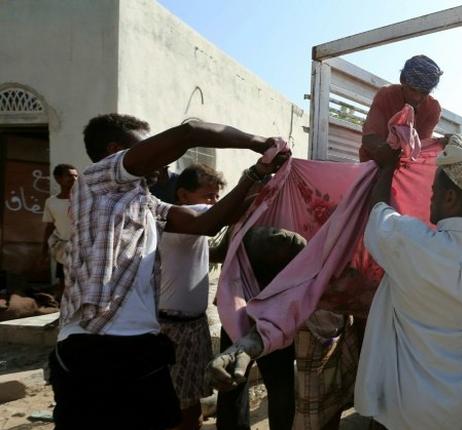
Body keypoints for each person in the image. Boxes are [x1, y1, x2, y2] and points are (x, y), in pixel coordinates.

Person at [49, 113, 289, 430]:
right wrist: (258, 143)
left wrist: (257, 174)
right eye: (145, 145)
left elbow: (207, 223)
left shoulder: (145, 203)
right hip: (94, 341)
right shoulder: (97, 179)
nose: (157, 155)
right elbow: (188, 133)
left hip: (143, 344)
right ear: (114, 151)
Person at [354, 134, 462, 429]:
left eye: (433, 190)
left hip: (404, 406)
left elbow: (378, 212)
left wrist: (387, 167)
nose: (429, 197)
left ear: (450, 197)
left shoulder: (413, 242)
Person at [157, 163, 227, 430]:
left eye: (217, 197)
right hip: (174, 328)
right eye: (208, 196)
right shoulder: (180, 221)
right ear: (184, 196)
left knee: (191, 402)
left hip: (192, 325)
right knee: (179, 405)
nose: (214, 203)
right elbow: (222, 215)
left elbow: (214, 252)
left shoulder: (194, 228)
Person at [215, 226, 306, 430]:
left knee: (236, 384)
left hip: (250, 309)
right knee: (276, 385)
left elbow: (224, 254)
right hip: (266, 311)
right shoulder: (279, 213)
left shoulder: (249, 214)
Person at [360, 55, 443, 162]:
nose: (417, 97)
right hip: (372, 162)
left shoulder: (433, 109)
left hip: (407, 166)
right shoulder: (386, 94)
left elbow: (421, 148)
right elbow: (369, 138)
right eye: (412, 89)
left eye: (424, 93)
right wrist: (390, 155)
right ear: (402, 80)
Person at [41, 163, 78, 288]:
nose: (74, 179)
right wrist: (44, 251)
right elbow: (50, 227)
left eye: (76, 176)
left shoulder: (84, 199)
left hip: (83, 249)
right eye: (69, 176)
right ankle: (64, 307)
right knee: (64, 283)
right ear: (58, 179)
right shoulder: (51, 202)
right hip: (63, 250)